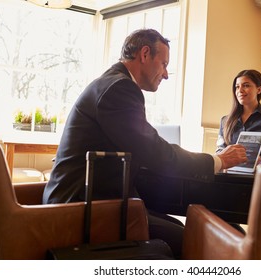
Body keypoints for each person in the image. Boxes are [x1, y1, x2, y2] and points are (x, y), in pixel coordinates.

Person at [42, 29, 247, 258]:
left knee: (186, 230)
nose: (166, 74)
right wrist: (217, 161)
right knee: (197, 240)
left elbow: (145, 148)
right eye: (164, 64)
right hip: (83, 208)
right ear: (145, 54)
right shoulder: (119, 88)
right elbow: (155, 151)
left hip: (94, 201)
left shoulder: (112, 84)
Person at [217, 69, 261, 163]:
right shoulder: (225, 120)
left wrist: (258, 160)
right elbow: (220, 150)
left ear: (259, 89)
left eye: (246, 85)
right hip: (229, 172)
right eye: (237, 87)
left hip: (259, 174)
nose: (240, 90)